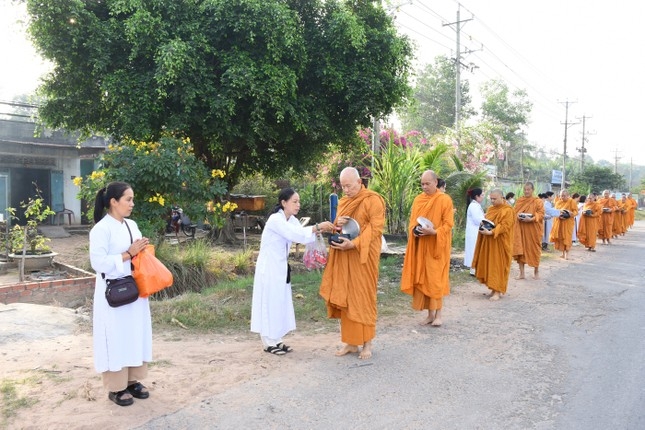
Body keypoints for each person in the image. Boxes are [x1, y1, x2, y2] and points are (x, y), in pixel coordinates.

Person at [251, 188, 335, 355]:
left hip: (281, 267)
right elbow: (293, 234)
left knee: (280, 302)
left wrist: (319, 230)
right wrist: (317, 226)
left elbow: (302, 236)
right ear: (284, 203)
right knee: (269, 302)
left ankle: (277, 339)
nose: (298, 205)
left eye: (299, 201)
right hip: (269, 268)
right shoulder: (275, 219)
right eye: (294, 201)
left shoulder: (292, 220)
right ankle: (268, 342)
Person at [89, 181, 151, 407]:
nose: (132, 204)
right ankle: (116, 387)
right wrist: (127, 254)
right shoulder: (100, 229)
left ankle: (133, 380)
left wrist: (142, 250)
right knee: (115, 336)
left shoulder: (132, 225)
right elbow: (98, 263)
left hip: (135, 289)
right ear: (113, 202)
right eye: (128, 199)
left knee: (134, 332)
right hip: (113, 292)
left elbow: (138, 254)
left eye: (132, 199)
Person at [319, 167, 385, 359]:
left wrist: (355, 244)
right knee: (347, 298)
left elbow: (375, 229)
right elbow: (339, 227)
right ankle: (351, 343)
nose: (346, 190)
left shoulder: (373, 200)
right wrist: (338, 223)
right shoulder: (344, 202)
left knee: (363, 298)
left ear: (359, 182)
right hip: (346, 255)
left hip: (363, 257)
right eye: (343, 186)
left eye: (349, 186)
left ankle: (367, 344)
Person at [400, 170, 454, 326]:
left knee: (436, 280)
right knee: (424, 280)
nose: (424, 187)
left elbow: (448, 224)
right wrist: (415, 231)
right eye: (422, 184)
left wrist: (434, 232)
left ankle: (438, 315)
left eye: (427, 184)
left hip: (437, 246)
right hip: (422, 246)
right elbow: (412, 222)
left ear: (435, 182)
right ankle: (430, 314)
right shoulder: (418, 200)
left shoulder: (445, 200)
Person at [471, 189, 515, 301]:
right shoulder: (491, 209)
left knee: (498, 266)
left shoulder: (508, 210)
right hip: (490, 242)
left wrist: (492, 232)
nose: (492, 201)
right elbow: (488, 221)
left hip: (501, 243)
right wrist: (483, 224)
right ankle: (493, 288)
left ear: (502, 198)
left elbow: (505, 226)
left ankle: (498, 291)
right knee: (490, 264)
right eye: (491, 198)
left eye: (495, 199)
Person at [512, 182, 545, 279]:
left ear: (532, 190)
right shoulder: (520, 200)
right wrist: (517, 215)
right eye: (525, 189)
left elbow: (541, 214)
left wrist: (532, 219)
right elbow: (514, 212)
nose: (526, 191)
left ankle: (536, 272)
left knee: (535, 250)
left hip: (533, 230)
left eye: (528, 189)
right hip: (521, 229)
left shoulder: (538, 201)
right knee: (520, 250)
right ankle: (522, 273)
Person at [549, 189, 578, 260]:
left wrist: (571, 213)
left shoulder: (572, 202)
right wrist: (559, 216)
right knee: (561, 238)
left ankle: (567, 254)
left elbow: (576, 211)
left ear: (568, 196)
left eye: (564, 196)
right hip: (560, 222)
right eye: (561, 196)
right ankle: (563, 253)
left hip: (568, 223)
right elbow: (556, 211)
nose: (562, 197)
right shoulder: (558, 202)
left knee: (567, 238)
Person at [464, 188, 485, 276]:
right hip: (474, 232)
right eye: (482, 195)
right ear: (477, 196)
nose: (483, 197)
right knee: (473, 250)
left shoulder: (476, 205)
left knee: (475, 250)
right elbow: (478, 220)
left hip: (475, 231)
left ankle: (475, 269)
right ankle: (473, 270)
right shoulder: (473, 206)